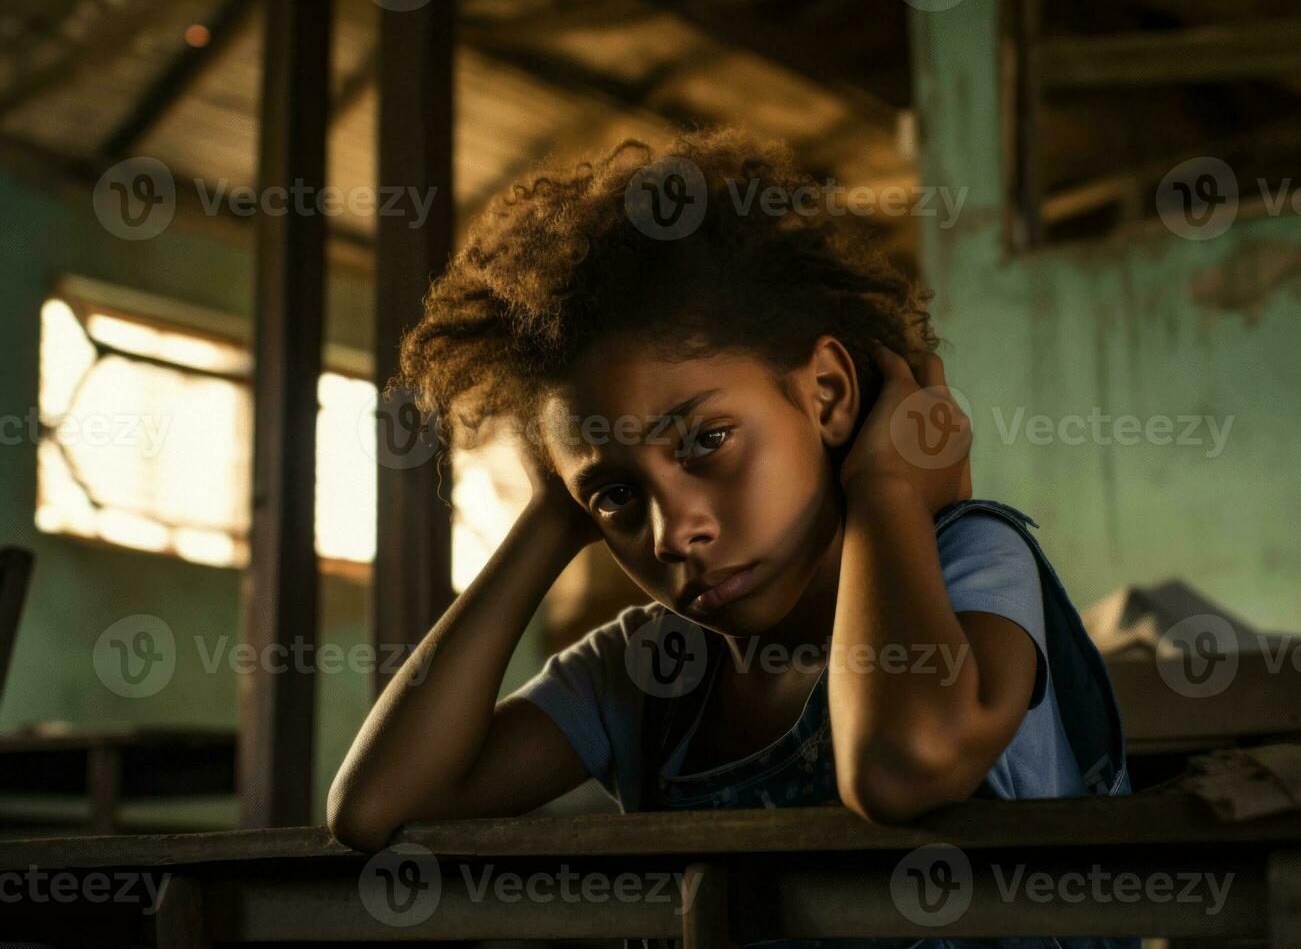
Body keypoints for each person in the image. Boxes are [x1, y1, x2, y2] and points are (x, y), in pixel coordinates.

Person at [328, 129, 1135, 949]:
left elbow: (898, 768)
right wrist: (549, 519)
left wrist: (885, 486)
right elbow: (374, 808)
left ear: (826, 393)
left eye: (705, 442)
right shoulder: (650, 670)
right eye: (617, 497)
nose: (676, 531)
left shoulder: (968, 562)